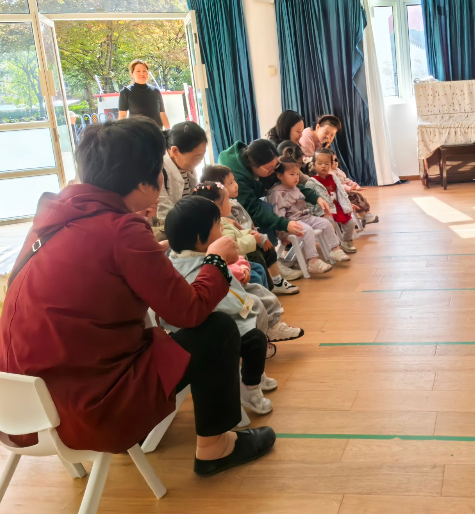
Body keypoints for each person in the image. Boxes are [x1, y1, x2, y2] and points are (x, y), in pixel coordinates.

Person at [0, 118, 275, 477]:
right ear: (145, 182)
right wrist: (215, 261)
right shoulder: (123, 231)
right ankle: (215, 447)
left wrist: (150, 250)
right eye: (159, 171)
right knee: (217, 329)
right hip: (87, 413)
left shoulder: (51, 215)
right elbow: (189, 311)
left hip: (20, 411)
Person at [164, 197, 276, 415]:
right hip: (210, 331)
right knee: (256, 340)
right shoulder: (194, 269)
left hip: (219, 319)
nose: (223, 230)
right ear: (200, 239)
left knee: (258, 309)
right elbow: (218, 304)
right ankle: (250, 388)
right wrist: (245, 305)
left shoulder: (189, 257)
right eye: (218, 226)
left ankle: (253, 374)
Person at [217, 138, 333, 258]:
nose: (274, 172)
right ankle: (271, 256)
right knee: (266, 210)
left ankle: (273, 256)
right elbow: (254, 210)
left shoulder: (265, 165)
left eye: (275, 166)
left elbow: (289, 183)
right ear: (253, 165)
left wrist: (316, 198)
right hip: (236, 213)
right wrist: (284, 225)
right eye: (270, 169)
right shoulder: (238, 177)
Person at [200, 164, 302, 294]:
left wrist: (259, 236)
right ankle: (266, 289)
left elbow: (245, 225)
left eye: (234, 180)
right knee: (257, 257)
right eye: (231, 183)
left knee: (268, 250)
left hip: (249, 238)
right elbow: (236, 236)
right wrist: (257, 239)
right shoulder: (223, 214)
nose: (236, 185)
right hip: (243, 245)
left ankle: (276, 281)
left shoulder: (233, 203)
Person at [268, 157, 351, 274]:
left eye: (297, 174)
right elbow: (278, 216)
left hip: (305, 217)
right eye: (292, 174)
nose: (296, 177)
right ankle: (312, 261)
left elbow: (307, 195)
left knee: (326, 222)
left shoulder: (295, 187)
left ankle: (335, 249)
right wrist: (283, 234)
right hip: (292, 224)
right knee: (307, 230)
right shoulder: (277, 193)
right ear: (280, 176)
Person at [153, 121, 207, 239]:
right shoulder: (159, 170)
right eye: (197, 157)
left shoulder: (188, 168)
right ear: (175, 151)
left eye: (202, 157)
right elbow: (164, 212)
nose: (199, 162)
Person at [308, 148, 357, 254]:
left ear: (331, 164)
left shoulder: (334, 178)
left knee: (351, 222)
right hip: (324, 210)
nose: (323, 166)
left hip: (337, 207)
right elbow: (309, 201)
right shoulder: (311, 182)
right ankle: (332, 245)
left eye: (327, 163)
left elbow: (341, 194)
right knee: (330, 222)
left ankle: (346, 241)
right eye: (320, 163)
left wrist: (348, 205)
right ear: (314, 164)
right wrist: (318, 212)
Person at [118, 59, 170, 129]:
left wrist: (168, 131)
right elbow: (122, 116)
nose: (142, 73)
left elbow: (162, 114)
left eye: (144, 71)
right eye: (138, 71)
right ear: (132, 74)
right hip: (138, 132)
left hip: (157, 132)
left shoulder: (155, 91)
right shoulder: (126, 92)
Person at [331, 151, 378, 225]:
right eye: (332, 161)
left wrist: (356, 187)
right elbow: (338, 186)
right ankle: (363, 216)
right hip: (339, 195)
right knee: (354, 199)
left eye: (336, 160)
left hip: (346, 192)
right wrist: (349, 188)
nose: (336, 162)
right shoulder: (330, 174)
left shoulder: (339, 171)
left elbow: (347, 180)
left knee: (360, 196)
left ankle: (367, 214)